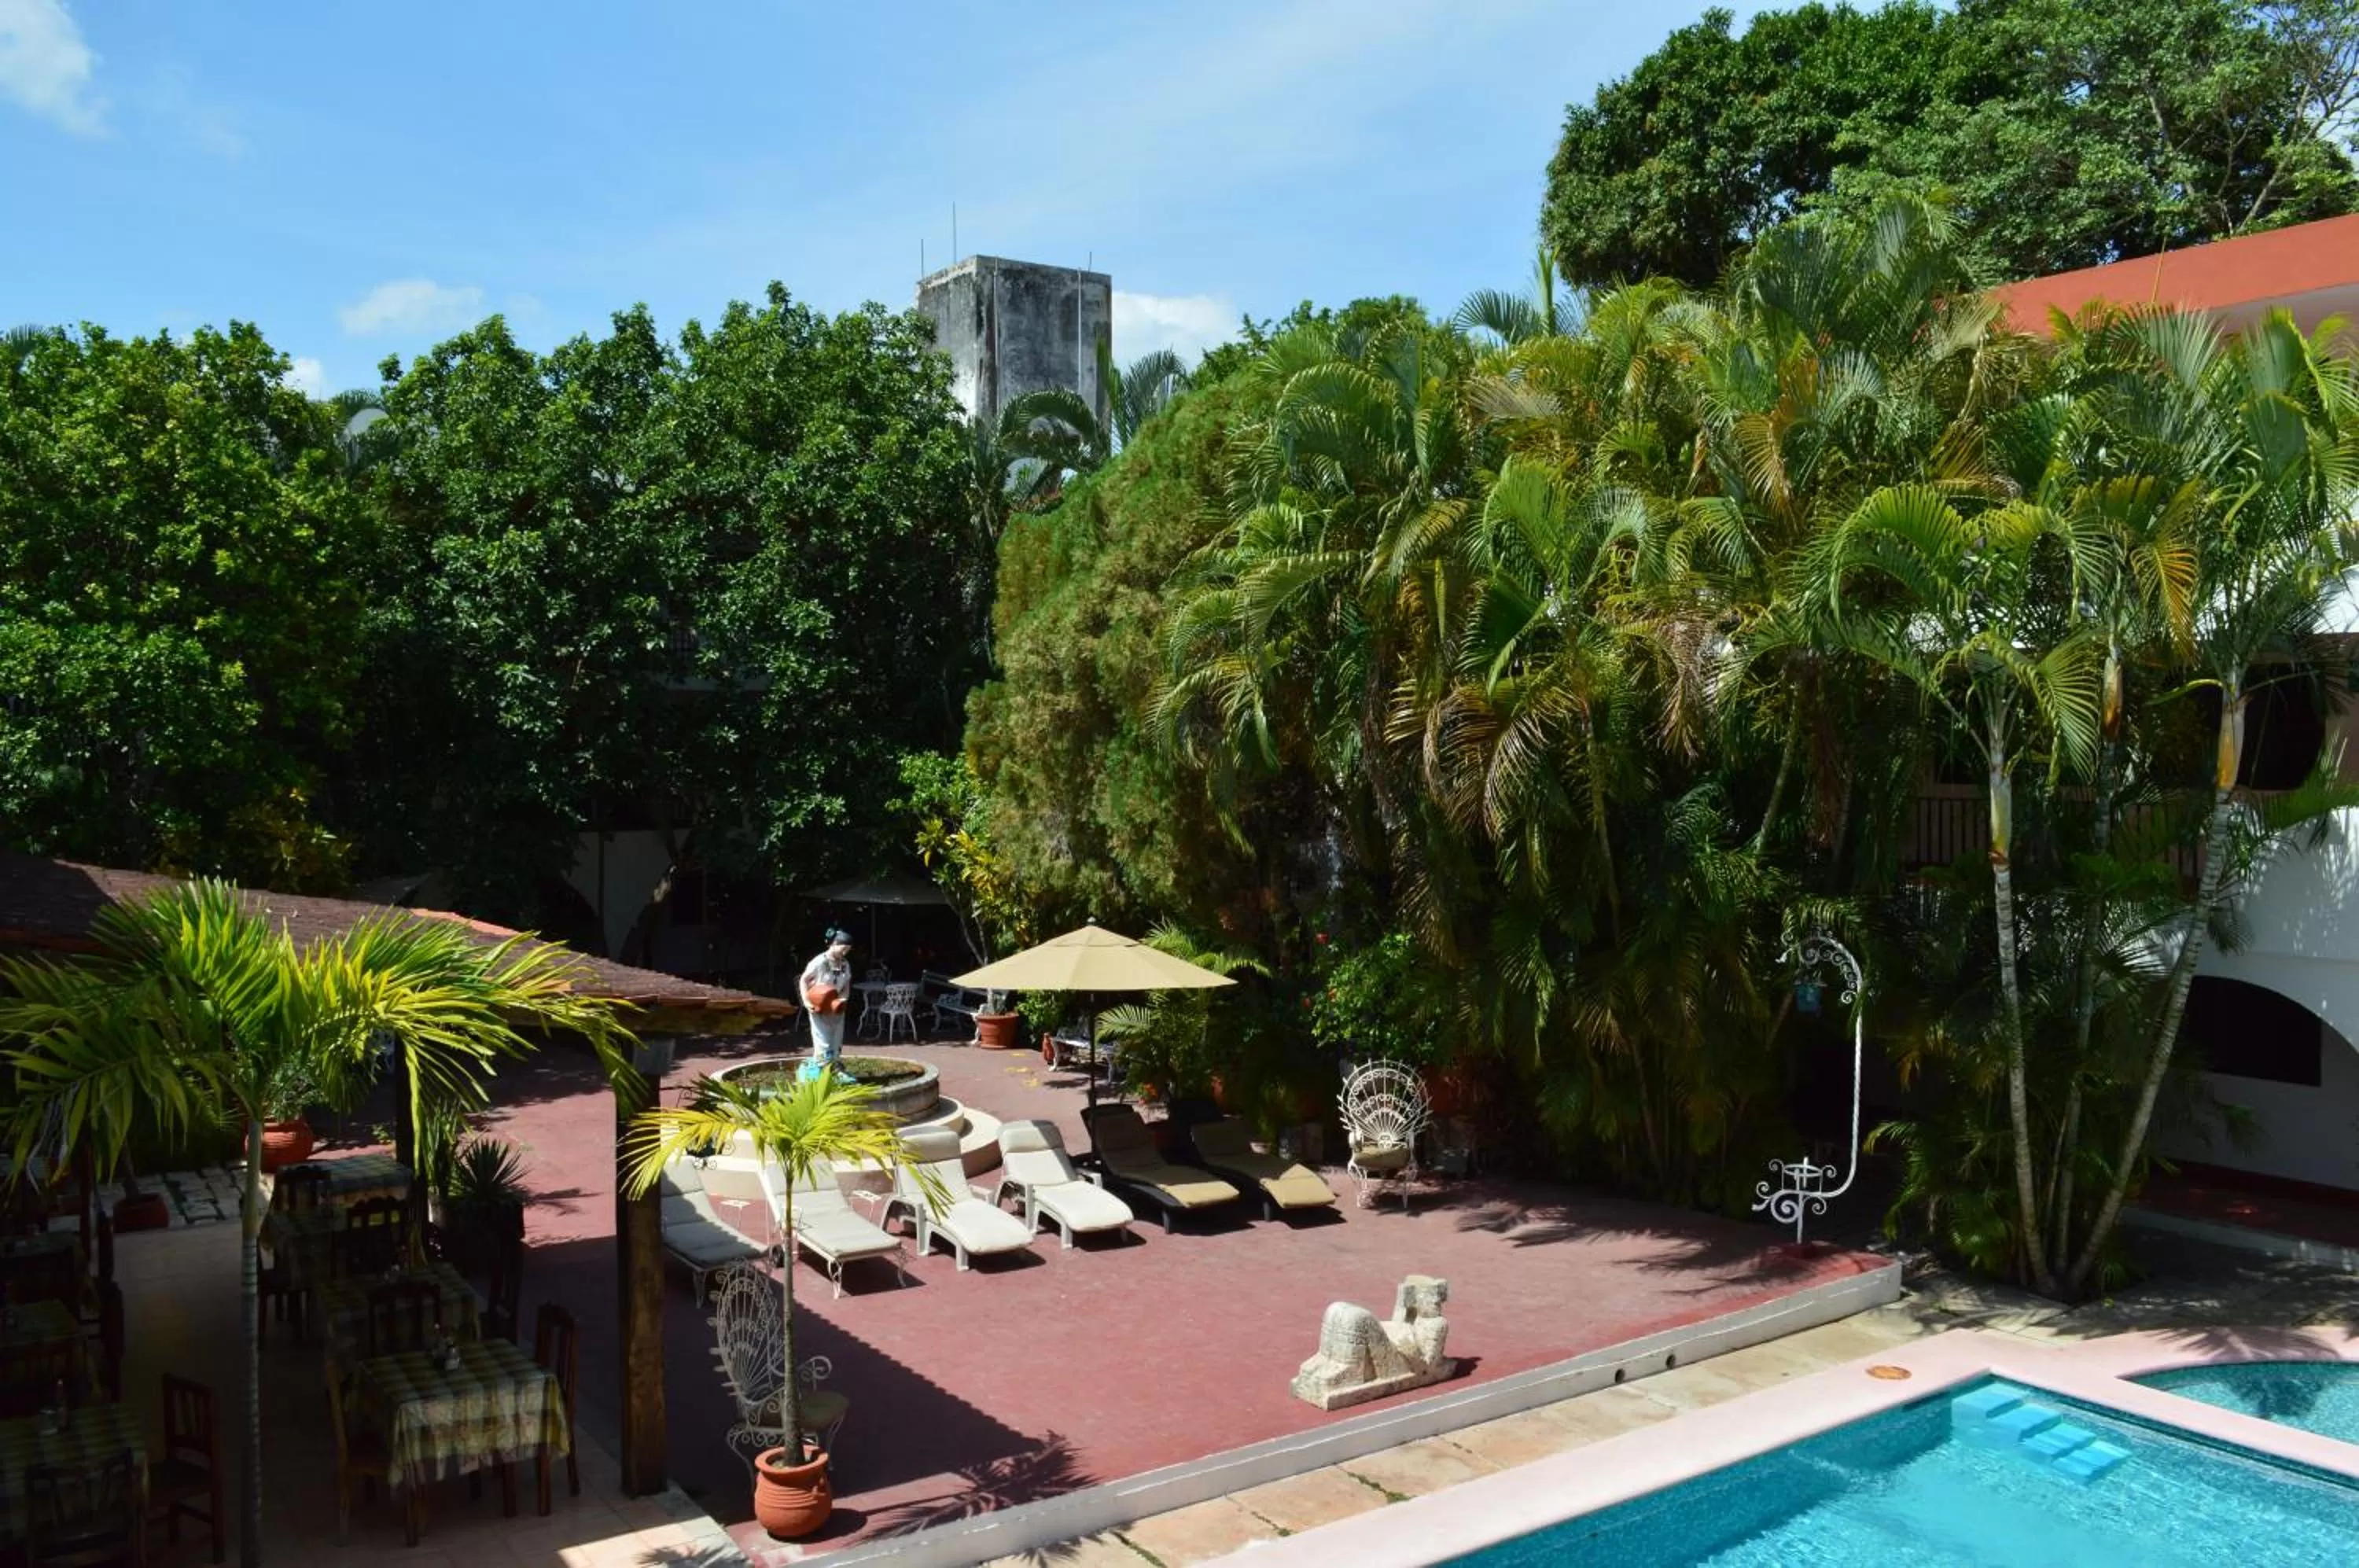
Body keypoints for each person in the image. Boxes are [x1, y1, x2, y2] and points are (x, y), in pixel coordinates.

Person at [800, 929, 855, 1077]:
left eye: (848, 950)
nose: (845, 953)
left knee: (836, 1037)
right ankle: (823, 1070)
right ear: (834, 944)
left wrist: (843, 999)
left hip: (836, 1007)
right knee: (822, 1039)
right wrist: (806, 1001)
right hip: (820, 1007)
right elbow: (804, 980)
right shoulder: (819, 962)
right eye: (843, 949)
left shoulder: (845, 964)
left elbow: (846, 983)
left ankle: (836, 1067)